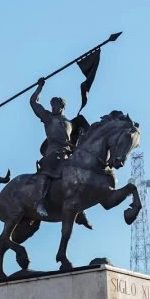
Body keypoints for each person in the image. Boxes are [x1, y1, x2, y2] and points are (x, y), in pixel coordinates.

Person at [29, 78, 93, 229]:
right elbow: (33, 103)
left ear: (62, 107)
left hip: (67, 154)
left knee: (79, 176)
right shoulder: (48, 118)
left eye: (55, 106)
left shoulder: (69, 123)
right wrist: (39, 87)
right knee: (47, 171)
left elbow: (72, 142)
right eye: (52, 105)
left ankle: (80, 211)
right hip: (52, 153)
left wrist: (80, 139)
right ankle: (40, 202)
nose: (53, 108)